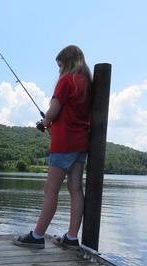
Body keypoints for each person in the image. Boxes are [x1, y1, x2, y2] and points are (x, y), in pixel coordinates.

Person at [14, 45, 92, 249]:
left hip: (64, 144)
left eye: (60, 66)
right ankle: (72, 238)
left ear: (67, 63)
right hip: (81, 143)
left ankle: (37, 236)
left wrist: (45, 122)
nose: (59, 71)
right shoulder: (86, 83)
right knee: (76, 189)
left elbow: (53, 111)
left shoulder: (66, 81)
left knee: (51, 190)